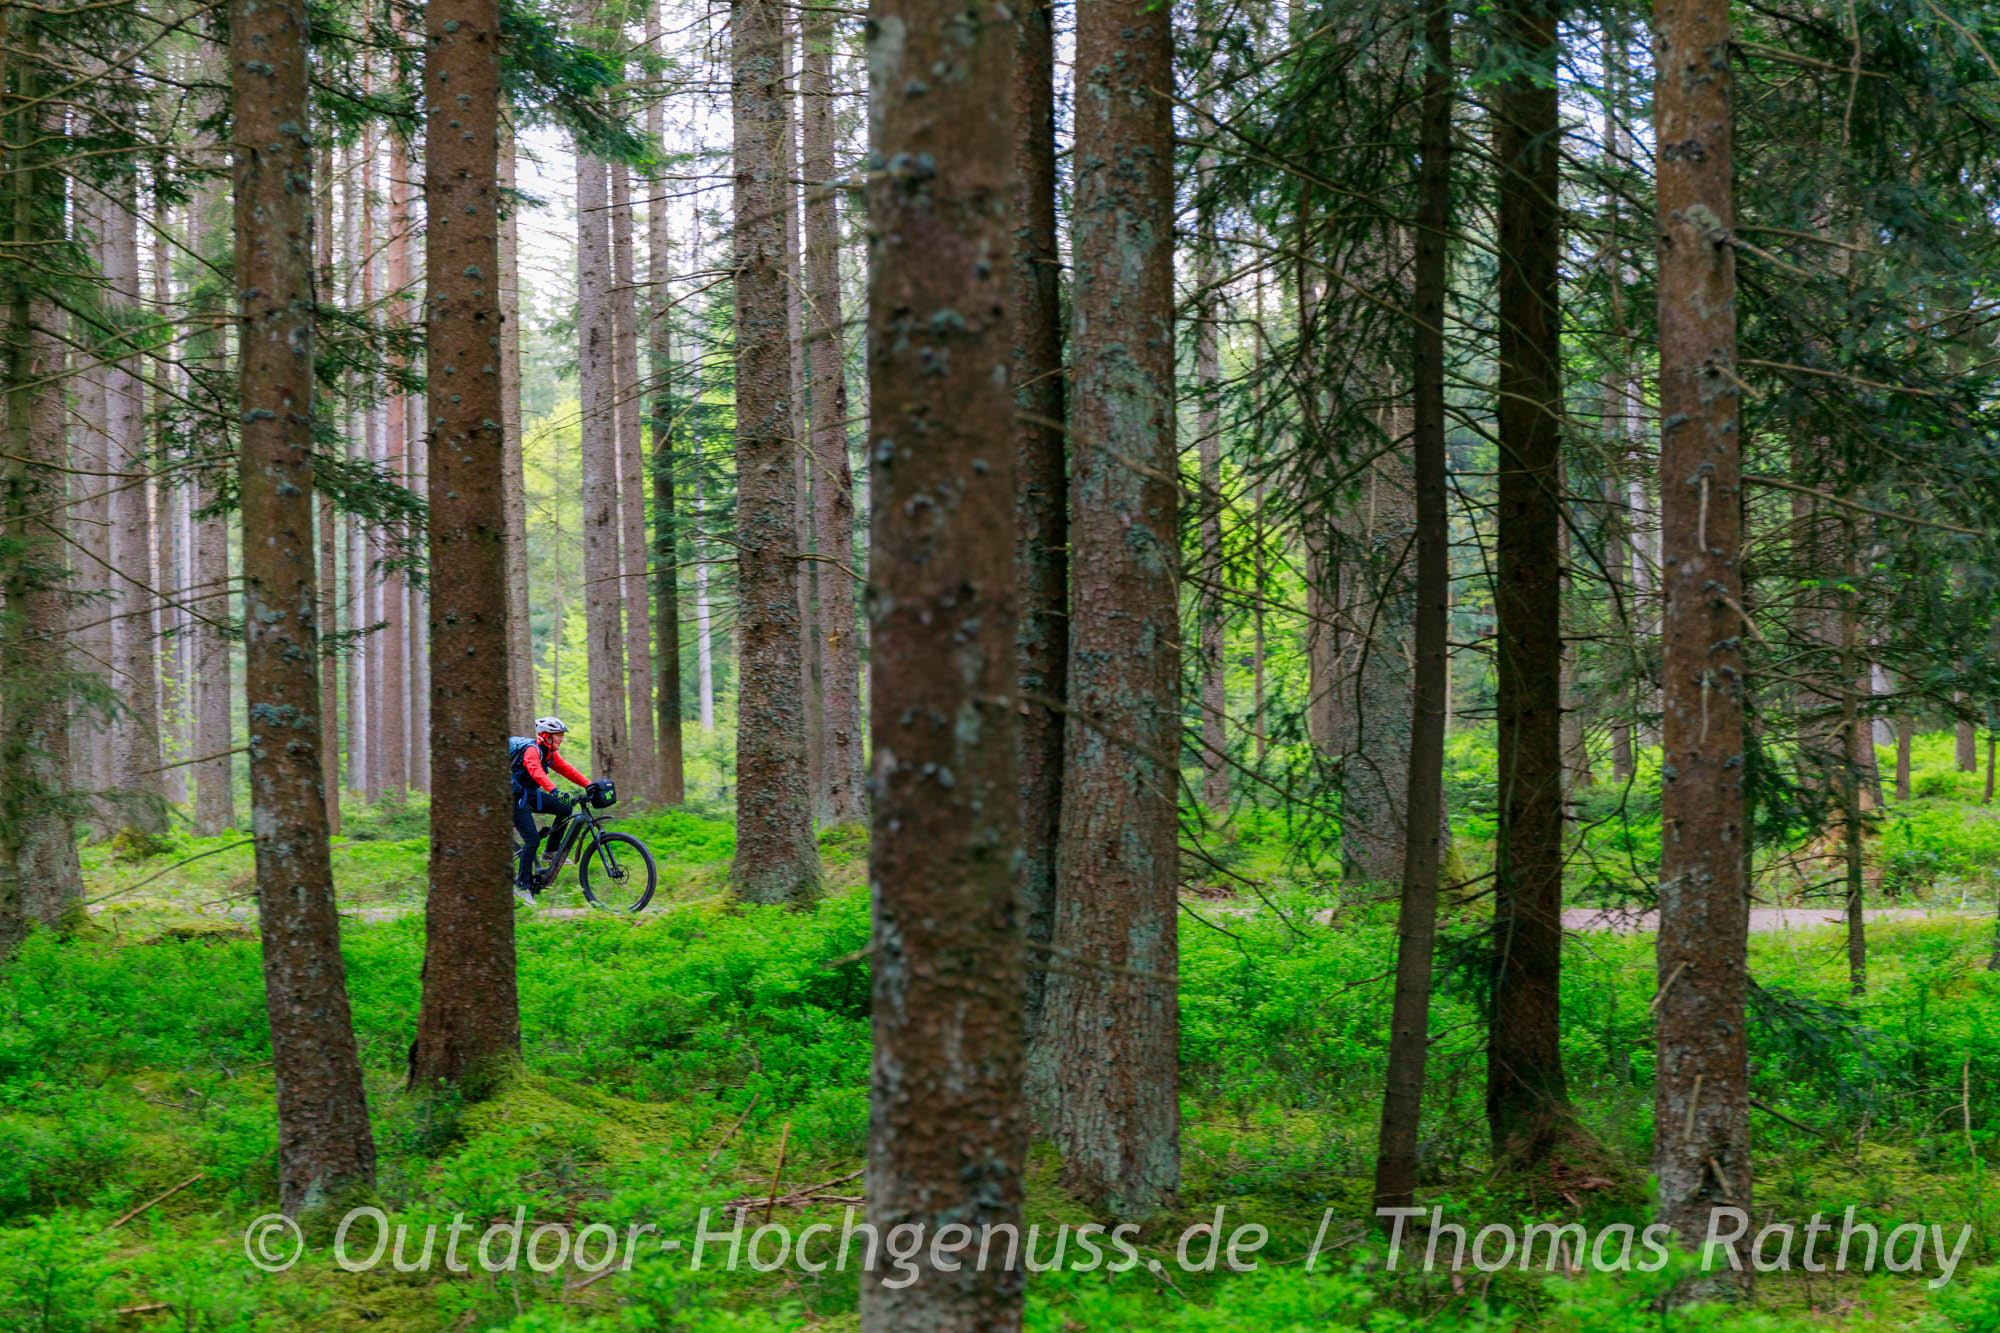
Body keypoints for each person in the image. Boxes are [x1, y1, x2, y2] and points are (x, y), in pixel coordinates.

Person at [510, 716, 593, 901]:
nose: (561, 739)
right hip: (515, 798)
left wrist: (589, 785)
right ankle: (522, 886)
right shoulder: (532, 751)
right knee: (531, 840)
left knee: (564, 809)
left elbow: (567, 769)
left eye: (562, 735)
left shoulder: (549, 753)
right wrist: (554, 790)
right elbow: (536, 772)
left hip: (529, 795)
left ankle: (551, 851)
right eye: (558, 735)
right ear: (546, 736)